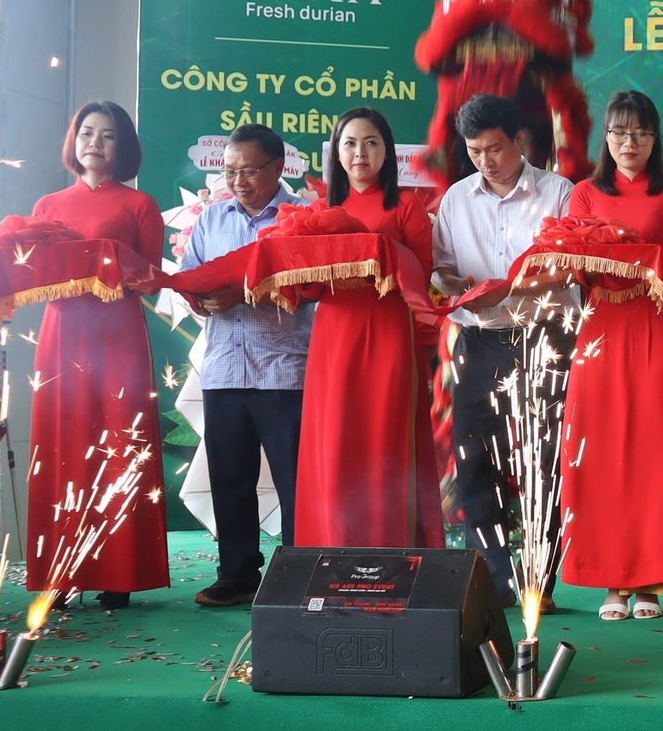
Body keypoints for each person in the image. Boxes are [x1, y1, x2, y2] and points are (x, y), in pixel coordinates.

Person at [560, 91, 663, 621]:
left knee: (653, 453)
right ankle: (609, 584)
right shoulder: (583, 195)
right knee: (600, 454)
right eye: (620, 133)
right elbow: (574, 263)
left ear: (655, 138)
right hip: (601, 332)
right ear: (607, 139)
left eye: (640, 133)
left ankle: (650, 581)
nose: (629, 143)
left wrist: (632, 258)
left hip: (656, 329)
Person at [431, 93, 575, 608]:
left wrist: (511, 289)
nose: (486, 160)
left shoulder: (560, 194)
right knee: (473, 461)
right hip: (477, 340)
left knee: (541, 463)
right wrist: (454, 283)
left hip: (543, 340)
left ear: (519, 141)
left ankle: (540, 582)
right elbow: (440, 266)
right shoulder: (455, 199)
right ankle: (493, 577)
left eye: (495, 148)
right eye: (474, 151)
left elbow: (569, 271)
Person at [25, 102, 168, 610]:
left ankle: (119, 571)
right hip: (62, 333)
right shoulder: (47, 206)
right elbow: (32, 274)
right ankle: (60, 570)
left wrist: (106, 265)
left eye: (108, 135)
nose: (95, 143)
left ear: (123, 146)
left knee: (119, 444)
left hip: (118, 336)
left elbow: (148, 275)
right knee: (62, 441)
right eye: (87, 133)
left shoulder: (141, 205)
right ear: (74, 140)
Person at [292, 109, 443, 550]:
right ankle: (332, 546)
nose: (361, 152)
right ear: (336, 153)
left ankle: (393, 549)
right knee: (335, 438)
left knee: (385, 437)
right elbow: (312, 288)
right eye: (350, 143)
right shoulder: (321, 210)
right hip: (335, 335)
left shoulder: (406, 206)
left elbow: (421, 275)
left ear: (387, 152)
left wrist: (376, 252)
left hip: (390, 331)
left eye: (372, 142)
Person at [178, 123, 312, 607]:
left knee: (295, 481)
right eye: (228, 170)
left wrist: (257, 290)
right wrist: (200, 300)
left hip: (285, 369)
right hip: (223, 369)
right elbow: (191, 279)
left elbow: (317, 292)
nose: (236, 180)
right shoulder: (212, 221)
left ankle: (300, 574)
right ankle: (237, 575)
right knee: (229, 477)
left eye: (248, 170)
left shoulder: (304, 219)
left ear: (278, 167)